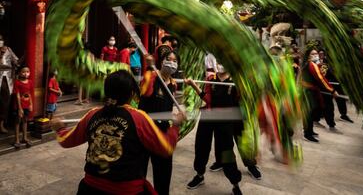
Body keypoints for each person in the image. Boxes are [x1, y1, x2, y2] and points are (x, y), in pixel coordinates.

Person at [51, 70, 185, 195]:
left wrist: (60, 128)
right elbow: (166, 147)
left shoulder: (92, 115)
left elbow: (66, 140)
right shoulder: (138, 118)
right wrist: (176, 125)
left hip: (89, 189)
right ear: (132, 94)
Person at [186, 64, 243, 195]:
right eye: (218, 61)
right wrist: (193, 84)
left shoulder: (237, 81)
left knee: (227, 152)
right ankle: (199, 175)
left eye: (223, 61)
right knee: (201, 147)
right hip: (208, 117)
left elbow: (240, 101)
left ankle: (235, 183)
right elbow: (207, 99)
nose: (220, 65)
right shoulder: (210, 79)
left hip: (225, 121)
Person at [139, 51, 183, 195]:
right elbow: (145, 92)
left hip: (162, 131)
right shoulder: (151, 76)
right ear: (162, 61)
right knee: (138, 173)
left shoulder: (174, 85)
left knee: (163, 175)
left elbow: (168, 106)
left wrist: (176, 119)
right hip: (144, 131)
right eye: (168, 59)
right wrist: (150, 69)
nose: (171, 62)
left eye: (174, 60)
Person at [301, 49, 339, 142]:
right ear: (308, 55)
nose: (315, 55)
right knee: (308, 114)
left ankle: (310, 131)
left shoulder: (311, 64)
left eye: (316, 53)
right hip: (308, 92)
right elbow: (321, 79)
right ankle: (307, 134)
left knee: (312, 112)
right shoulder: (311, 65)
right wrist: (332, 90)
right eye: (313, 53)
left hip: (311, 91)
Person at [318, 50, 353, 124]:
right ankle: (327, 119)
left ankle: (343, 114)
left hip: (337, 82)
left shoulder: (339, 61)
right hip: (329, 84)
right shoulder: (323, 62)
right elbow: (322, 74)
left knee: (341, 99)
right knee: (328, 102)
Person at [0, 35, 19, 134]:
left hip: (6, 79)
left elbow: (16, 61)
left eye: (1, 39)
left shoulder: (8, 49)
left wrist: (16, 63)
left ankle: (1, 125)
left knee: (5, 103)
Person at [13, 66, 33, 148]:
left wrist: (31, 104)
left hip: (27, 105)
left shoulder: (30, 82)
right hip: (19, 105)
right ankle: (17, 139)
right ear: (20, 73)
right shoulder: (17, 82)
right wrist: (20, 108)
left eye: (27, 71)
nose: (26, 73)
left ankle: (24, 138)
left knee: (25, 121)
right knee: (17, 122)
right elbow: (17, 96)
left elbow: (30, 94)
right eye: (23, 72)